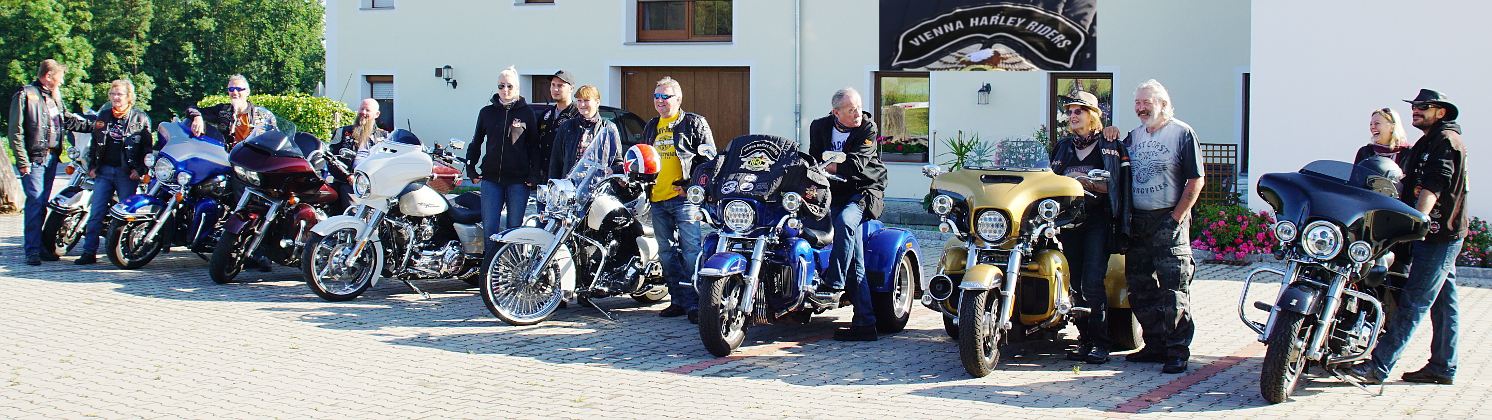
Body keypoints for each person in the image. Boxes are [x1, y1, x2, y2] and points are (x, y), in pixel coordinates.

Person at [1346, 89, 1467, 385]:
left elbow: (1435, 183)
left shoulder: (1446, 141)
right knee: (1443, 303)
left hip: (1439, 235)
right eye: (1414, 107)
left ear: (1441, 112)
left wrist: (1419, 220)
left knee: (1414, 301)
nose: (1416, 111)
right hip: (1439, 234)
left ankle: (1379, 366)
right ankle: (1442, 366)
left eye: (1423, 107)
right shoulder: (1429, 140)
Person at [1119, 79, 1203, 374]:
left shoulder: (1182, 134)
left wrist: (1176, 218)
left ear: (1164, 105)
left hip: (1169, 219)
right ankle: (1154, 344)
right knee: (1139, 286)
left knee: (1174, 289)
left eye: (1147, 103)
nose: (1141, 109)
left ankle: (1177, 350)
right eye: (1138, 104)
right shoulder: (1134, 137)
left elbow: (1196, 180)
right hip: (1138, 222)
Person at [1051, 91, 1130, 363]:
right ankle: (1084, 339)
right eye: (1070, 111)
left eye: (1079, 111)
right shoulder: (1062, 146)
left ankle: (1101, 343)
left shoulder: (1109, 144)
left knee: (1093, 283)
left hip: (1098, 223)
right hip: (1068, 222)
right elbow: (1049, 179)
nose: (1073, 116)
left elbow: (1116, 184)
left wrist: (1080, 180)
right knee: (1073, 284)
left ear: (1092, 115)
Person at [808, 87, 888, 341]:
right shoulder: (819, 127)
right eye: (851, 109)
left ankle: (834, 282)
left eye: (859, 107)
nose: (858, 113)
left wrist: (828, 164)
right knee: (856, 261)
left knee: (844, 222)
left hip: (865, 192)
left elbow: (855, 166)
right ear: (836, 112)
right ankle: (865, 324)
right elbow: (811, 161)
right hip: (834, 194)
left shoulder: (867, 128)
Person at [642, 76, 714, 324]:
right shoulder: (652, 126)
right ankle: (677, 300)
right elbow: (644, 159)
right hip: (657, 199)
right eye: (657, 96)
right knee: (666, 253)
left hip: (683, 200)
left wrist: (690, 186)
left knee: (692, 251)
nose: (660, 101)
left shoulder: (694, 123)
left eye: (666, 96)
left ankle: (697, 303)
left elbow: (710, 161)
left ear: (678, 99)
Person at [8, 59, 91, 265]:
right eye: (60, 78)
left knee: (43, 203)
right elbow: (15, 131)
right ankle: (32, 251)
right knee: (35, 201)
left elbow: (69, 121)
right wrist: (22, 160)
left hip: (52, 157)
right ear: (49, 76)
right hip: (34, 159)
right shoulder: (25, 95)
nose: (62, 82)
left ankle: (42, 247)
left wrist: (98, 125)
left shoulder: (54, 98)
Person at [71, 80, 152, 265]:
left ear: (128, 97)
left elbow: (147, 149)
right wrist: (91, 166)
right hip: (104, 171)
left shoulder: (140, 118)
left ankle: (124, 251)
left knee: (125, 216)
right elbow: (94, 143)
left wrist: (140, 170)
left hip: (126, 174)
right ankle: (88, 252)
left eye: (120, 94)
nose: (116, 97)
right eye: (113, 94)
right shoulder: (104, 115)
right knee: (96, 213)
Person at [469, 66, 541, 249]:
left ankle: (511, 273)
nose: (505, 90)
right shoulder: (486, 112)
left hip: (518, 181)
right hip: (492, 179)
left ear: (517, 88)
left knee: (514, 230)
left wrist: (534, 175)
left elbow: (534, 146)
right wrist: (471, 169)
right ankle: (489, 273)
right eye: (501, 86)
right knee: (490, 230)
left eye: (510, 86)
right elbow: (476, 142)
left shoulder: (526, 113)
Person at [327, 98, 389, 214]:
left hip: (375, 185)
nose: (363, 113)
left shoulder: (384, 136)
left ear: (376, 114)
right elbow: (331, 158)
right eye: (361, 109)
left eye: (367, 110)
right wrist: (347, 176)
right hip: (349, 182)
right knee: (354, 211)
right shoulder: (343, 132)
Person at [549, 85, 622, 179]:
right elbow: (556, 161)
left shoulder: (609, 128)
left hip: (597, 186)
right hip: (570, 184)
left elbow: (618, 162)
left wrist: (612, 170)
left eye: (586, 100)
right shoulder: (567, 126)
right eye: (579, 100)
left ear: (597, 102)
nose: (582, 104)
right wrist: (554, 186)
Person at [186, 74, 276, 149]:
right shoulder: (222, 110)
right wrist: (197, 117)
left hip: (253, 159)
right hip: (227, 158)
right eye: (231, 89)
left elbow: (275, 138)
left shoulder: (263, 114)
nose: (235, 92)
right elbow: (192, 109)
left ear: (247, 92)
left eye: (239, 89)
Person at [538, 70, 579, 181]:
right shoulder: (546, 115)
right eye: (553, 85)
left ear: (571, 88)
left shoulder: (577, 115)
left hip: (567, 178)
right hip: (545, 177)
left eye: (560, 86)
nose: (555, 89)